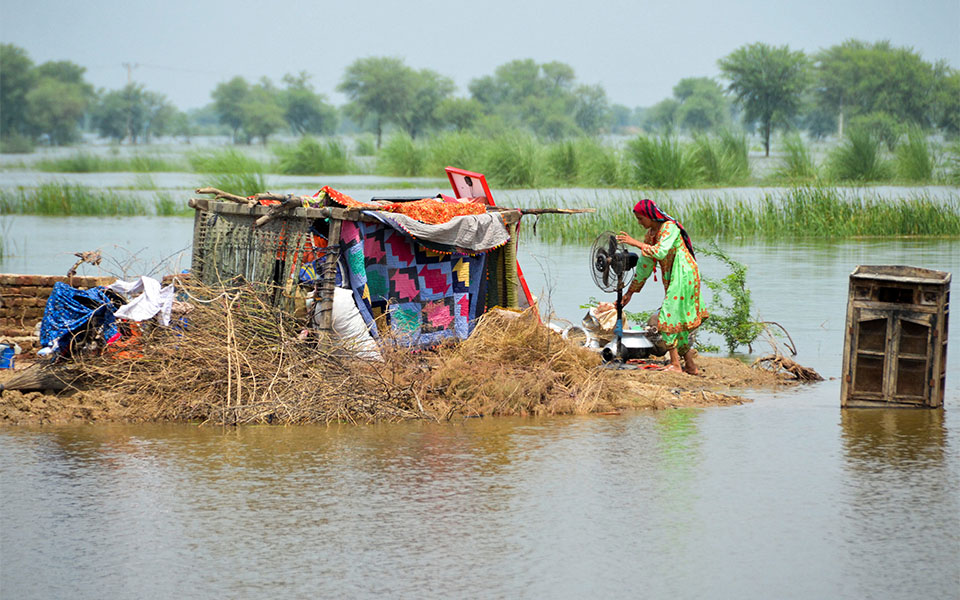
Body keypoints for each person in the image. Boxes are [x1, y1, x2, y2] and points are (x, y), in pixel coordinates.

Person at [616, 199, 708, 374]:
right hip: (672, 277)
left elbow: (660, 251)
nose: (639, 222)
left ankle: (675, 364)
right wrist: (630, 293)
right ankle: (690, 365)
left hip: (684, 275)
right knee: (677, 321)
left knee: (667, 317)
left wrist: (634, 243)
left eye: (641, 218)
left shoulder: (669, 228)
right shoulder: (650, 236)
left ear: (650, 216)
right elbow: (644, 266)